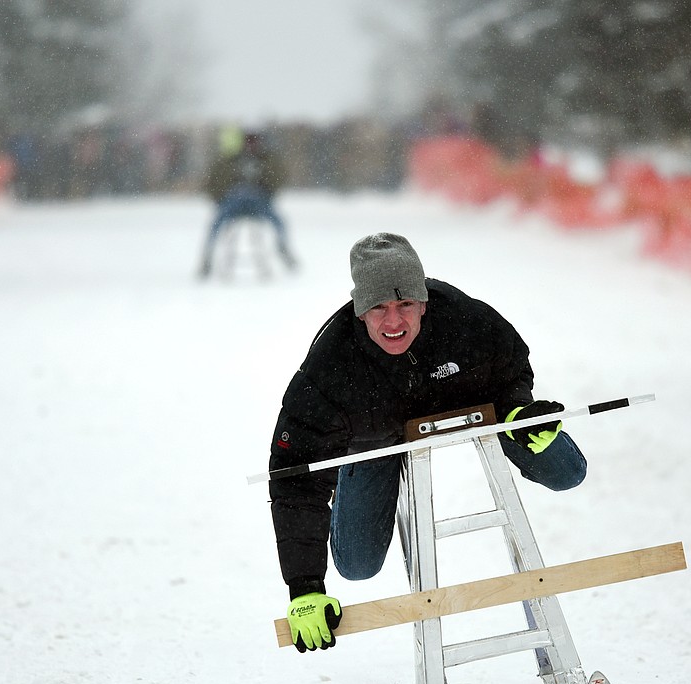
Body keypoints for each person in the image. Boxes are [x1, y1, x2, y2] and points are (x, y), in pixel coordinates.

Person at [268, 233, 587, 652]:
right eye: (378, 307)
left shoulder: (468, 323)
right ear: (360, 311)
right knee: (358, 566)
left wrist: (517, 412)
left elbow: (511, 369)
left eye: (405, 304)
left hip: (476, 406)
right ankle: (355, 465)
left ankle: (532, 438)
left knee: (568, 473)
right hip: (376, 437)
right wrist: (305, 587)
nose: (393, 321)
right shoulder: (331, 365)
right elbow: (295, 476)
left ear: (423, 302)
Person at [199, 128, 295, 277]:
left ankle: (283, 247)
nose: (251, 145)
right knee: (215, 224)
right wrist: (219, 198)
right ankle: (207, 256)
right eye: (248, 142)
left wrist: (266, 187)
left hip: (259, 202)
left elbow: (279, 178)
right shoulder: (229, 160)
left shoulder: (267, 159)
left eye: (254, 142)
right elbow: (212, 182)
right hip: (233, 201)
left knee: (279, 221)